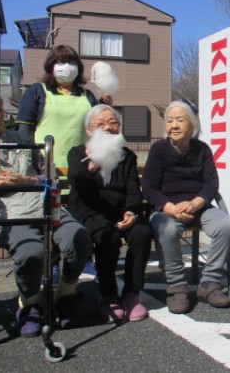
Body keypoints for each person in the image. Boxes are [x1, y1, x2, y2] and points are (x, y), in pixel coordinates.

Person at [0, 87, 91, 337]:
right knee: (31, 252)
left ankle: (65, 293)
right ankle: (30, 302)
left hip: (43, 202)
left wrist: (24, 180)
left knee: (78, 238)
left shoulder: (22, 140)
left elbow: (48, 175)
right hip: (7, 213)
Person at [142, 100, 230, 313]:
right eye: (169, 121)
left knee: (226, 225)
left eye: (179, 120)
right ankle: (176, 286)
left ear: (193, 124)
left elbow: (211, 184)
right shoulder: (159, 149)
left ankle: (209, 282)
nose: (174, 125)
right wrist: (171, 208)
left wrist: (194, 204)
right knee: (168, 229)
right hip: (166, 209)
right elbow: (149, 187)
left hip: (197, 206)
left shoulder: (202, 149)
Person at [67, 105, 151, 322]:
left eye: (113, 123)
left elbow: (133, 190)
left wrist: (131, 212)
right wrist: (93, 164)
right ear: (89, 130)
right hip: (90, 211)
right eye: (100, 124)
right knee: (109, 236)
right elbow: (76, 182)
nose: (107, 127)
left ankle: (132, 293)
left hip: (120, 211)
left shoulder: (127, 156)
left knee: (142, 232)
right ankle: (108, 295)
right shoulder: (77, 153)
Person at [16, 45, 112, 168]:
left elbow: (99, 130)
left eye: (71, 62)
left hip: (82, 167)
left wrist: (105, 107)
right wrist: (30, 165)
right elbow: (24, 134)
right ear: (51, 66)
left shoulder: (87, 95)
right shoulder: (36, 91)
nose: (67, 66)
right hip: (45, 168)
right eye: (61, 62)